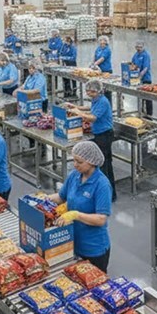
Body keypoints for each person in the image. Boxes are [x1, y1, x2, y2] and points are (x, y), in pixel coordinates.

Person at [46, 141, 113, 272]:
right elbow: (61, 197)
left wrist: (76, 215)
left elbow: (101, 219)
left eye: (79, 162)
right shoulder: (74, 175)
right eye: (74, 160)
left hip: (93, 248)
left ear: (92, 161)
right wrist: (44, 199)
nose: (75, 165)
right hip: (73, 241)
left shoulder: (102, 184)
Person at [67, 79, 116, 202]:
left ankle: (109, 196)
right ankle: (107, 194)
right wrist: (77, 107)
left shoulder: (103, 102)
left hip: (104, 135)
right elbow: (90, 109)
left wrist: (78, 113)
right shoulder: (97, 100)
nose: (89, 94)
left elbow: (93, 117)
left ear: (98, 91)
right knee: (104, 165)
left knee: (104, 166)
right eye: (87, 91)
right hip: (99, 134)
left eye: (91, 92)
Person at [130, 41, 153, 117]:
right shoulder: (136, 55)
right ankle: (141, 112)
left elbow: (146, 68)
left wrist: (139, 77)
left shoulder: (146, 55)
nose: (138, 49)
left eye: (140, 47)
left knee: (148, 98)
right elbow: (133, 64)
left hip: (146, 79)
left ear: (143, 47)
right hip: (138, 79)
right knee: (140, 96)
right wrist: (132, 69)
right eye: (137, 47)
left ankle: (149, 115)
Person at [92, 35, 113, 104]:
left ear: (106, 42)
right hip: (99, 71)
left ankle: (108, 105)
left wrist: (95, 64)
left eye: (103, 42)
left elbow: (102, 59)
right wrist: (92, 64)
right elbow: (95, 57)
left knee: (107, 90)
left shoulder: (107, 50)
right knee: (99, 89)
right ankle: (101, 104)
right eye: (100, 42)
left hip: (106, 71)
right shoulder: (98, 49)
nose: (101, 44)